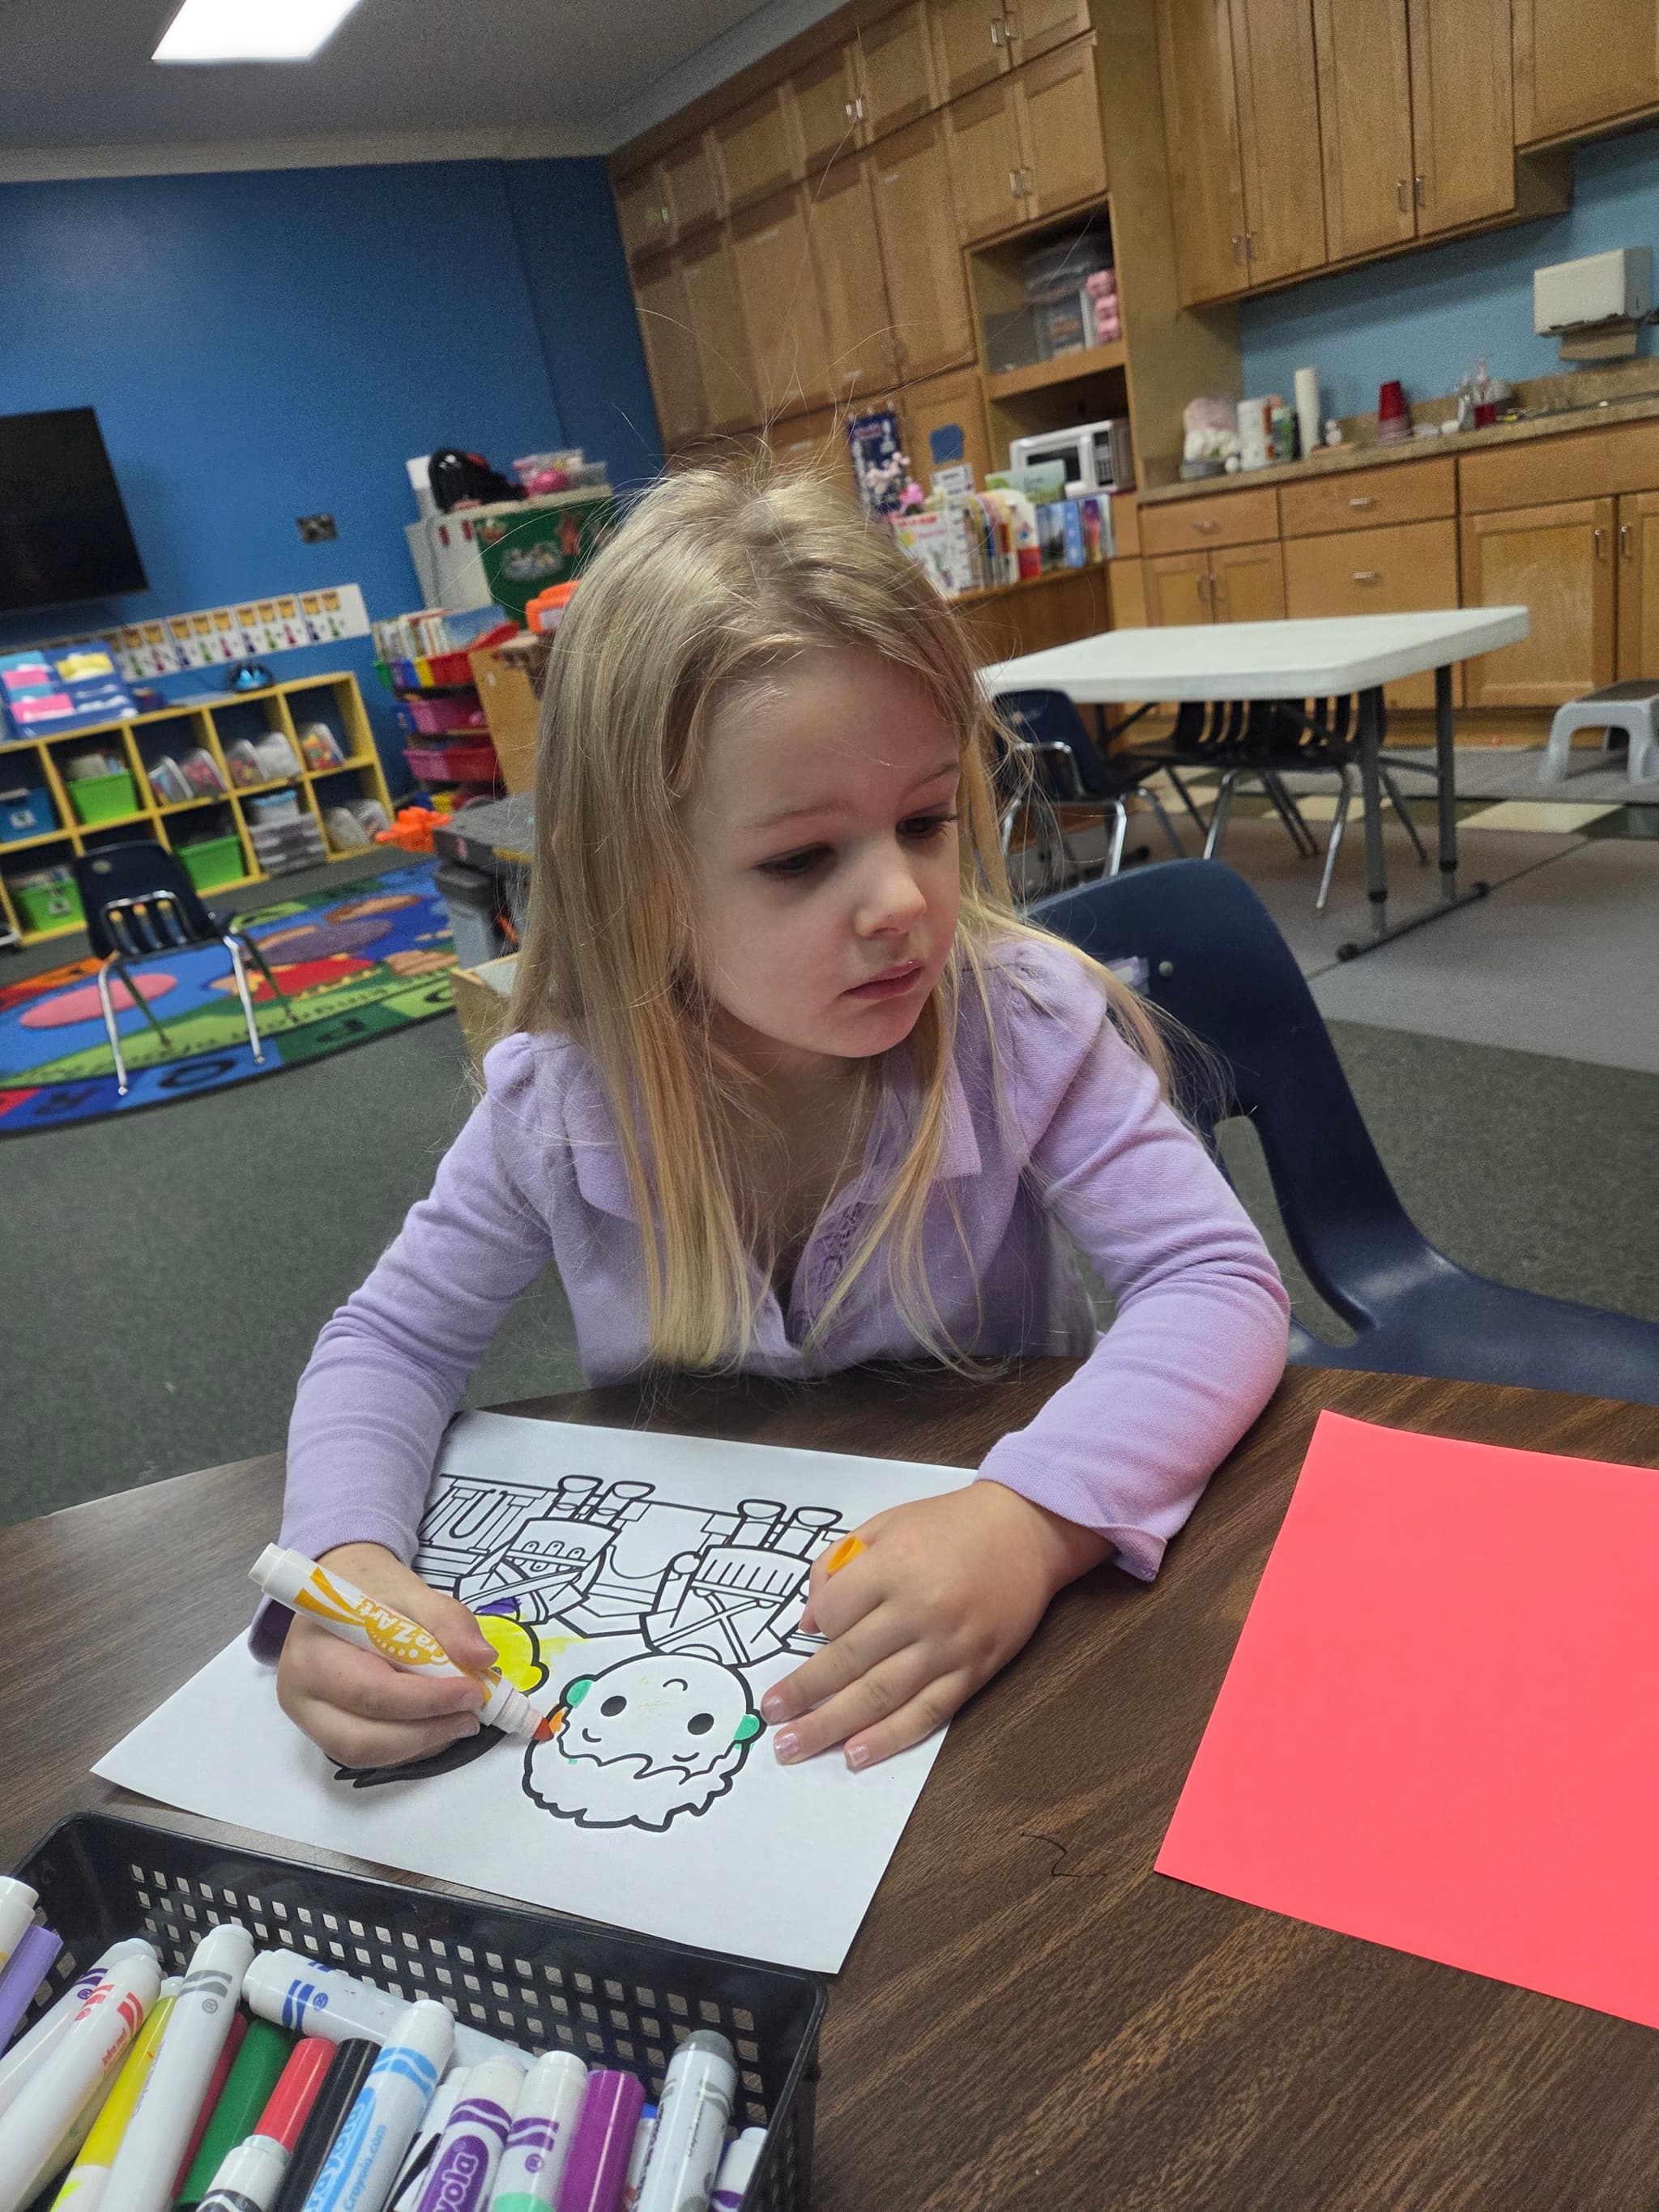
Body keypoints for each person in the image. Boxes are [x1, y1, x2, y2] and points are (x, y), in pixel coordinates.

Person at [273, 464, 1290, 1777]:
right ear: (639, 880)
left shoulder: (1016, 1024)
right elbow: (390, 1342)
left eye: (926, 820)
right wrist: (343, 1566)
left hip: (1000, 1648)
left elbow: (1214, 1280)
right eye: (804, 858)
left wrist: (1030, 1521)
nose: (904, 902)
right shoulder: (562, 1099)